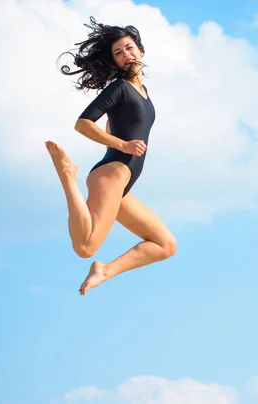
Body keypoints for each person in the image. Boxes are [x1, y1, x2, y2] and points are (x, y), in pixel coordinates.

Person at [46, 17, 177, 296]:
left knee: (165, 245)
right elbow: (83, 123)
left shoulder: (143, 93)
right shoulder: (119, 88)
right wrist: (122, 144)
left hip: (123, 185)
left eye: (129, 48)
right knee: (85, 247)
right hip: (112, 174)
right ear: (116, 62)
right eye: (118, 53)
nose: (126, 55)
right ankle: (68, 176)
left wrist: (114, 137)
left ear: (140, 50)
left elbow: (112, 124)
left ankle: (105, 270)